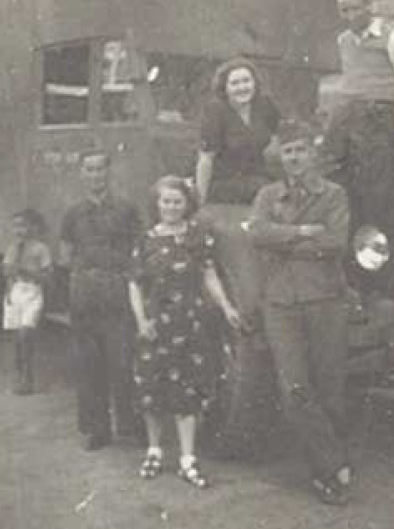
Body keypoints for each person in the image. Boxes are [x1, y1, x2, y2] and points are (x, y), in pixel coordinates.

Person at [248, 120, 353, 505]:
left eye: (300, 150)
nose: (293, 157)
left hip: (325, 298)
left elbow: (336, 242)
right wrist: (304, 232)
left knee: (329, 388)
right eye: (287, 151)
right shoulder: (267, 194)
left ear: (314, 152)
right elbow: (256, 232)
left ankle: (324, 475)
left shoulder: (334, 194)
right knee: (294, 388)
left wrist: (284, 239)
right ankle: (335, 465)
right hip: (280, 303)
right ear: (280, 155)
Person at [128, 176, 242, 488]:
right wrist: (141, 322)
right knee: (152, 389)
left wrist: (226, 306)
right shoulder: (145, 240)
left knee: (186, 392)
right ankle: (154, 451)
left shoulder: (196, 239)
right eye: (166, 201)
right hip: (154, 326)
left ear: (186, 205)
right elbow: (135, 285)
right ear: (157, 204)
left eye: (177, 202)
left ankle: (187, 459)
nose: (171, 207)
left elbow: (209, 275)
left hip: (189, 325)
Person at [323, 0, 394, 257]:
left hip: (378, 120)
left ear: (369, 6)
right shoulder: (343, 41)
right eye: (344, 10)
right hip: (346, 121)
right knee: (337, 187)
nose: (350, 15)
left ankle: (379, 270)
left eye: (355, 8)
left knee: (377, 198)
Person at [59, 149, 142, 450]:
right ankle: (98, 429)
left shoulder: (125, 209)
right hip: (84, 294)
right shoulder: (73, 212)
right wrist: (80, 281)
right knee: (89, 365)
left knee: (122, 362)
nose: (95, 175)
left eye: (100, 169)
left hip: (117, 291)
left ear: (109, 172)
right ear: (82, 174)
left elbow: (137, 248)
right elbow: (66, 252)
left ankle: (129, 425)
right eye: (89, 170)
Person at [195, 57, 281, 206]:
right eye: (235, 83)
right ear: (225, 87)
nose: (242, 87)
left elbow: (276, 140)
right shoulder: (215, 112)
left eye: (246, 81)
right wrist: (199, 201)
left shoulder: (265, 106)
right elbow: (206, 159)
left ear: (255, 83)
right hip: (226, 183)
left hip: (260, 178)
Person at [2, 209, 52, 395]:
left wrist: (29, 272)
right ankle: (19, 376)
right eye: (15, 226)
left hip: (33, 292)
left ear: (31, 227)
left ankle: (28, 376)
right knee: (17, 339)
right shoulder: (11, 248)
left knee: (26, 334)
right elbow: (7, 271)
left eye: (22, 226)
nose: (19, 230)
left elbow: (48, 277)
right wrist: (8, 290)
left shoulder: (41, 248)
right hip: (16, 292)